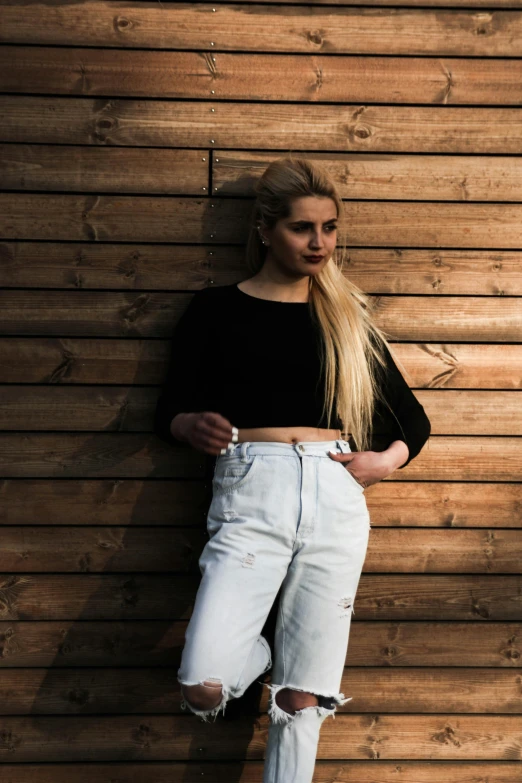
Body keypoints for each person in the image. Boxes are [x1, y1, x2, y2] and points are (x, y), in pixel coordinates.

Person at [153, 156, 431, 782]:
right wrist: (188, 426)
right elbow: (168, 409)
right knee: (204, 681)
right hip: (253, 489)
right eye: (303, 228)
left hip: (335, 497)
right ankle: (266, 653)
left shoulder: (346, 320)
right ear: (265, 230)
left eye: (330, 228)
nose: (319, 243)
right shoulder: (216, 311)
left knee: (301, 701)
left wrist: (381, 463)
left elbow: (409, 421)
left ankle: (296, 681)